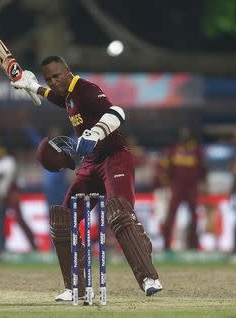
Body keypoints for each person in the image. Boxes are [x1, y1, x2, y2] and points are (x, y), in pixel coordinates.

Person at [11, 56, 162, 301]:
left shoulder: (86, 89)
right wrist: (33, 86)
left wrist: (96, 132)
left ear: (68, 71)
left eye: (56, 76)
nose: (53, 81)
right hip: (91, 162)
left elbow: (117, 111)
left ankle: (148, 278)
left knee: (119, 213)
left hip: (114, 157)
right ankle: (75, 287)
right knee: (63, 219)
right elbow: (58, 99)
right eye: (48, 78)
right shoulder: (69, 97)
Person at [163, 128, 206, 251]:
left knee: (194, 216)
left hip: (192, 188)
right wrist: (167, 185)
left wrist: (203, 184)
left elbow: (202, 169)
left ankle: (193, 245)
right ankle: (166, 245)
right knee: (171, 215)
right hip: (177, 188)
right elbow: (168, 170)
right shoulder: (173, 150)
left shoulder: (196, 150)